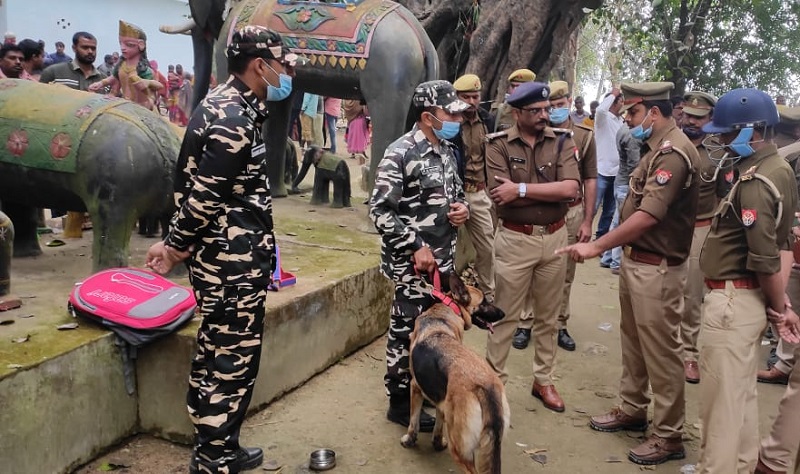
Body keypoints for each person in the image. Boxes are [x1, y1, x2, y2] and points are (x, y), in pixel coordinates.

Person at [145, 25, 297, 473]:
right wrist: (173, 249)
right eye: (282, 66)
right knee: (230, 358)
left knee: (219, 351)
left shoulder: (231, 105)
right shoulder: (233, 115)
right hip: (231, 264)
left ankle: (219, 446)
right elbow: (205, 195)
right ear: (259, 67)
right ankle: (214, 458)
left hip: (230, 258)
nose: (287, 74)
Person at [558, 81, 700, 466]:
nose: (629, 122)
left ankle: (669, 435)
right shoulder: (654, 149)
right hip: (639, 264)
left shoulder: (673, 153)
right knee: (634, 342)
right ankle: (633, 408)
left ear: (653, 113)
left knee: (662, 353)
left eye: (633, 114)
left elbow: (649, 214)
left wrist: (599, 245)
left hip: (658, 268)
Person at [696, 88, 798, 473]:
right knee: (741, 403)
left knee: (720, 416)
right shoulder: (779, 169)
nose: (720, 140)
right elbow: (784, 241)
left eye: (726, 133)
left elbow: (765, 257)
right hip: (748, 301)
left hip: (733, 301)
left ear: (752, 131)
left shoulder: (756, 180)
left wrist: (779, 307)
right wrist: (781, 306)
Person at [369, 79, 469, 432]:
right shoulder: (401, 152)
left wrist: (462, 210)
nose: (458, 117)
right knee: (404, 332)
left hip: (442, 264)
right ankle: (399, 403)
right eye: (451, 112)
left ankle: (422, 390)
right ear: (428, 116)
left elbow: (456, 194)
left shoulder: (445, 150)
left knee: (433, 333)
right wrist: (415, 245)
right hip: (411, 266)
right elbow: (380, 210)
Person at [484, 81, 580, 413]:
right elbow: (500, 194)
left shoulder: (563, 141)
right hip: (515, 239)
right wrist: (543, 190)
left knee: (548, 317)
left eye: (546, 109)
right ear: (516, 113)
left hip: (555, 238)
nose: (543, 115)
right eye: (535, 111)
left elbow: (570, 188)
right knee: (504, 316)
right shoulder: (496, 145)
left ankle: (544, 381)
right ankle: (493, 384)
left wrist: (521, 189)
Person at [514, 81, 596, 352]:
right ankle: (525, 323)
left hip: (571, 211)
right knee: (531, 269)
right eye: (550, 107)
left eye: (559, 106)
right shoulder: (539, 136)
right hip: (540, 209)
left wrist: (587, 220)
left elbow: (590, 179)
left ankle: (560, 323)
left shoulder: (583, 136)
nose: (552, 112)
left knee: (566, 272)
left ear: (569, 103)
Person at [678, 91, 719, 384]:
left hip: (700, 229)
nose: (691, 121)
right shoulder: (669, 143)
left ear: (710, 119)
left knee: (692, 295)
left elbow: (724, 198)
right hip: (665, 228)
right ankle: (665, 347)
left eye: (698, 117)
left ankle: (688, 354)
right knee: (661, 289)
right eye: (688, 115)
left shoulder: (720, 153)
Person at [758, 105, 800, 386]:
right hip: (794, 237)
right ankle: (784, 363)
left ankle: (784, 362)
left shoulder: (784, 156)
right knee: (791, 293)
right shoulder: (791, 156)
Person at [451, 73, 497, 303]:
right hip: (453, 193)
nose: (471, 101)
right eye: (466, 97)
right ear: (456, 97)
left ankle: (488, 294)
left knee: (487, 247)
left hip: (479, 192)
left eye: (475, 96)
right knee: (446, 245)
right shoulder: (449, 122)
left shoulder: (489, 121)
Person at [89, 21, 163, 111]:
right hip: (125, 103)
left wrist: (147, 82)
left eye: (129, 45)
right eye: (121, 43)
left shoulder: (144, 69)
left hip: (143, 106)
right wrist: (101, 83)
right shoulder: (121, 65)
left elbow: (158, 86)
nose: (123, 48)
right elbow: (114, 78)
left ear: (141, 45)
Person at [600, 123, 642, 272]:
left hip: (621, 181)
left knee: (617, 221)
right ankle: (616, 261)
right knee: (624, 223)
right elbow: (634, 164)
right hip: (627, 184)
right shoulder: (633, 134)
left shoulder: (624, 129)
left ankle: (608, 257)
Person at [594, 88, 625, 251]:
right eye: (621, 100)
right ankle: (579, 236)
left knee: (609, 211)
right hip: (601, 170)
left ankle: (600, 240)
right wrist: (613, 93)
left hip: (616, 173)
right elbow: (599, 109)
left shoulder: (622, 122)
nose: (623, 103)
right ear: (614, 102)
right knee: (592, 207)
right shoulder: (603, 118)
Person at [40, 32, 105, 91]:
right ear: (74, 48)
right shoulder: (53, 73)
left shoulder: (104, 79)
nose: (90, 51)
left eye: (93, 48)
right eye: (85, 47)